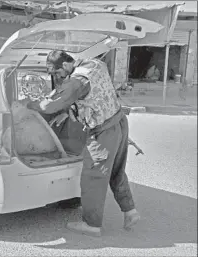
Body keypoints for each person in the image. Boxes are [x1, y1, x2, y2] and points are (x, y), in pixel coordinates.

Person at [23, 50, 141, 237]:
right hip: (118, 121)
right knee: (115, 171)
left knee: (92, 177)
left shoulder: (76, 81)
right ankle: (130, 211)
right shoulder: (94, 64)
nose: (56, 77)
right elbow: (91, 96)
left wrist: (29, 105)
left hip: (103, 130)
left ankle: (92, 225)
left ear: (65, 65)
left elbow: (48, 106)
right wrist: (70, 110)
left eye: (55, 73)